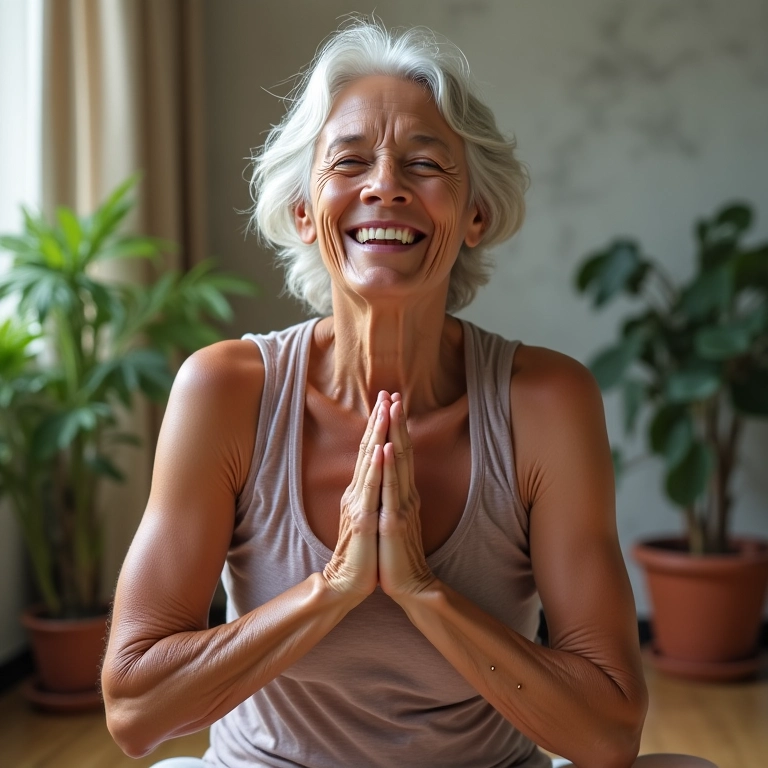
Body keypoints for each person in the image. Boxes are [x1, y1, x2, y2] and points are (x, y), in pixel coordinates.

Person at [101, 20, 717, 768]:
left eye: (424, 164)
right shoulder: (226, 390)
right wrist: (332, 590)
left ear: (476, 217)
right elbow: (134, 711)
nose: (385, 185)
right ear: (304, 212)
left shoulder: (544, 400)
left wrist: (425, 591)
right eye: (350, 162)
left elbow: (610, 733)